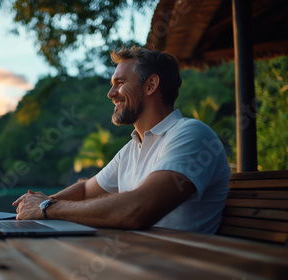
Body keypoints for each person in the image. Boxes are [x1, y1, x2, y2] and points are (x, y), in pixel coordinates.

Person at [12, 46, 231, 234]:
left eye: (119, 83)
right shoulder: (132, 148)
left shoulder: (191, 134)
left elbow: (138, 210)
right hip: (139, 260)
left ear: (150, 85)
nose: (110, 93)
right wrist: (37, 207)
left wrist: (46, 207)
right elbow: (87, 190)